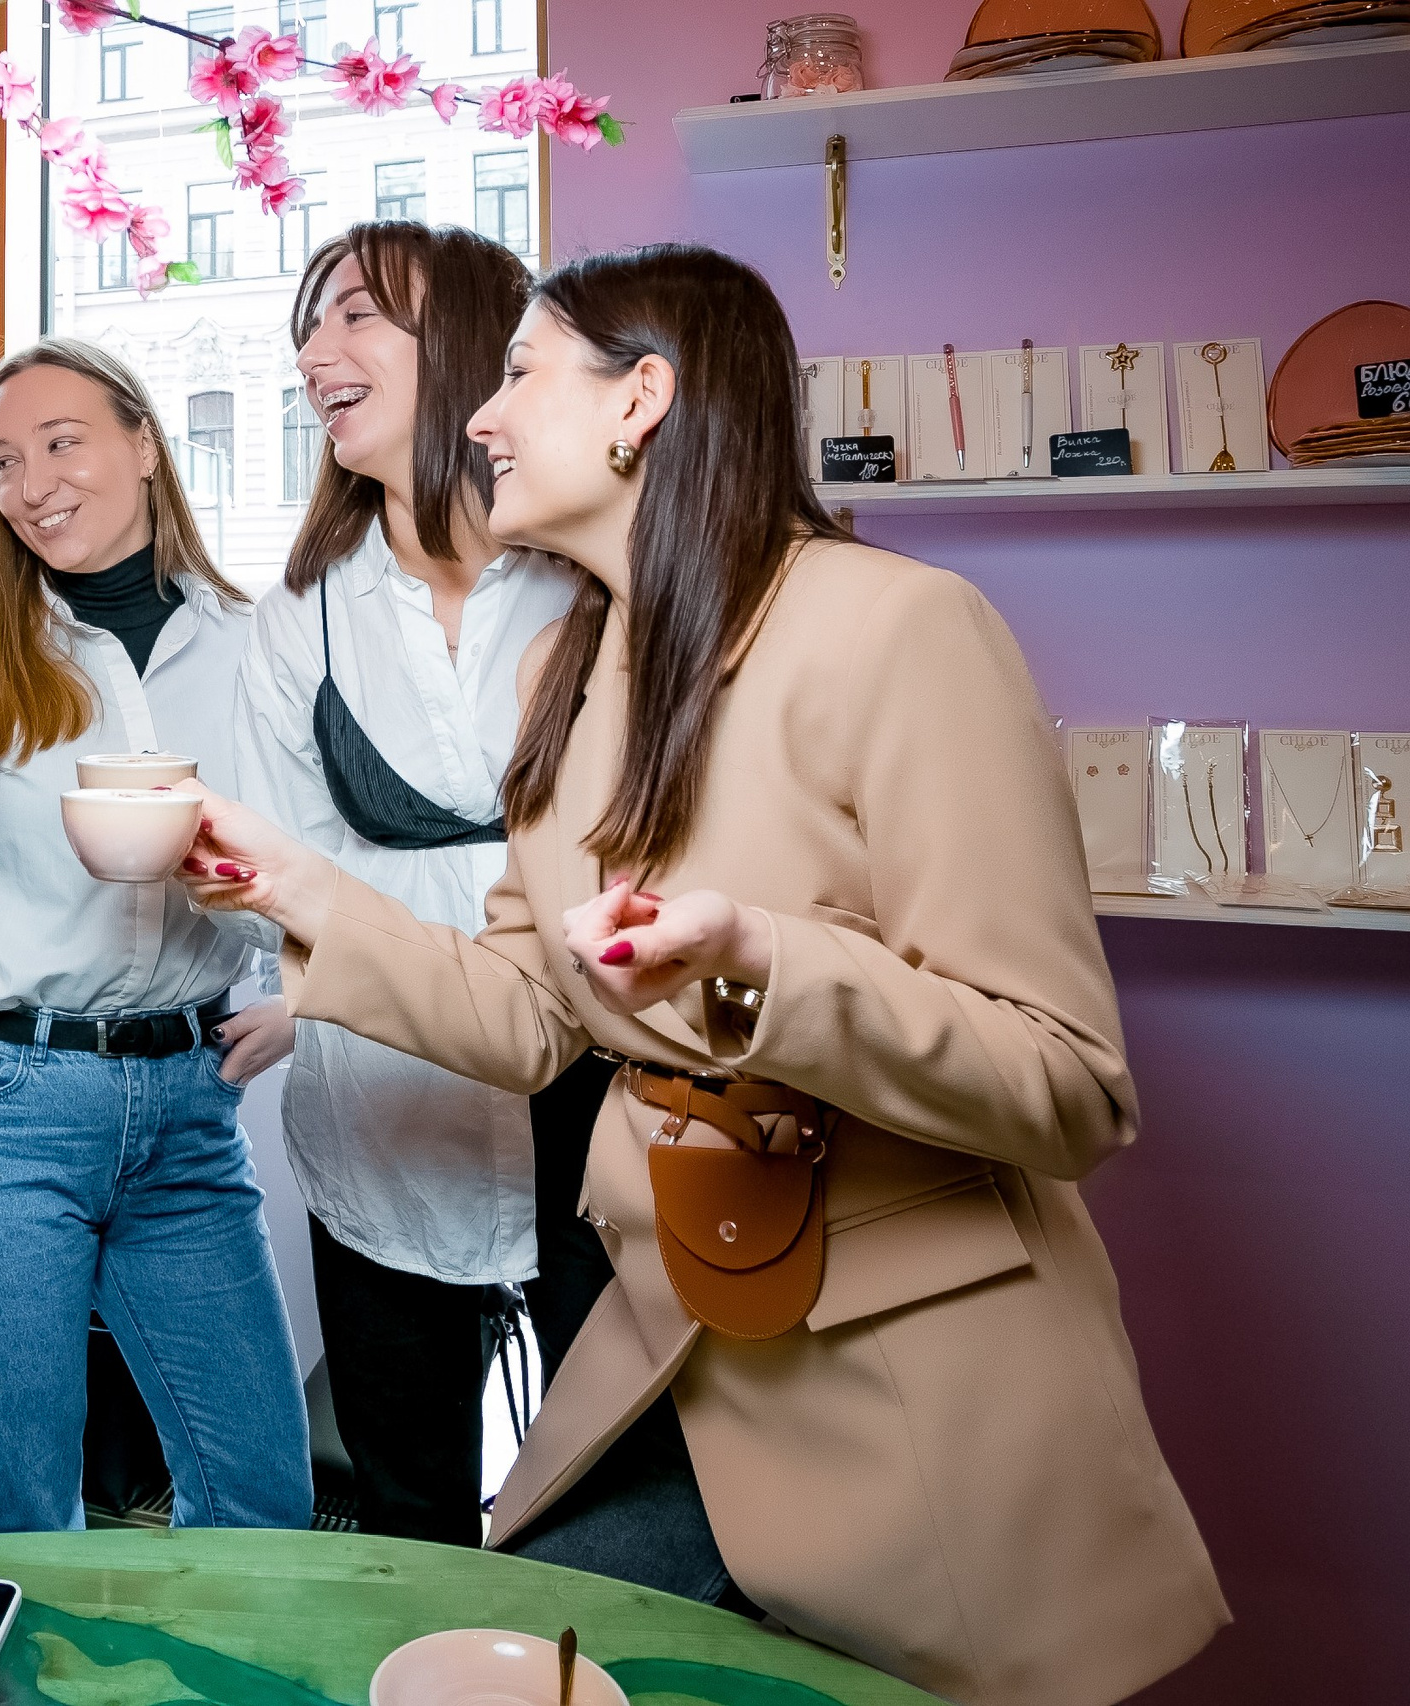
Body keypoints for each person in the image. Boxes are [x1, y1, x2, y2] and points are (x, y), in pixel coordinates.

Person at [171, 245, 1225, 1706]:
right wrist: (285, 880)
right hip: (673, 1332)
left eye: (522, 375)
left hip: (901, 1370)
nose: (481, 419)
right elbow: (531, 1015)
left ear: (641, 399)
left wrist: (766, 971)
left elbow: (1067, 1083)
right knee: (491, 1651)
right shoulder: (566, 681)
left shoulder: (900, 628)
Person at [0, 337, 312, 1535]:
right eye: (1, 460)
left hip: (190, 1113)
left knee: (260, 1496)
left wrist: (305, 988)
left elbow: (313, 861)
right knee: (20, 1508)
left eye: (61, 441)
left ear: (144, 443)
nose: (31, 482)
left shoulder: (255, 647)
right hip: (3, 1112)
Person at [232, 221, 611, 1546]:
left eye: (353, 318)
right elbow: (286, 871)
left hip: (594, 1110)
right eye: (307, 325)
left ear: (460, 343)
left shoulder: (587, 577)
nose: (313, 351)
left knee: (612, 1515)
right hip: (383, 1111)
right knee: (407, 1519)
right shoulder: (302, 616)